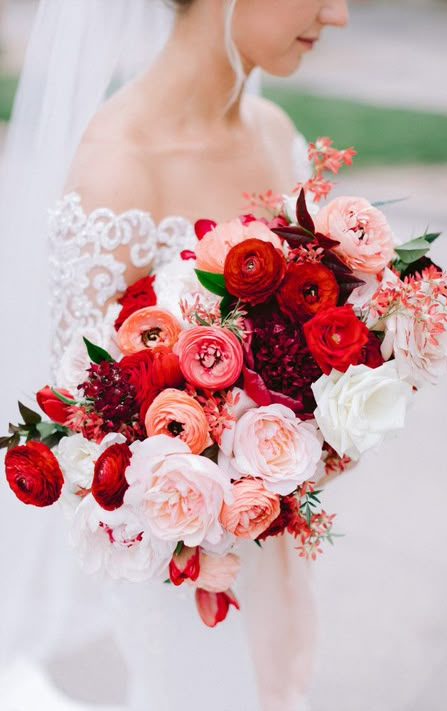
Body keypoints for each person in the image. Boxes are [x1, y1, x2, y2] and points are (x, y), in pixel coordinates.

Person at [0, 1, 349, 710]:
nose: (337, 14)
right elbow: (83, 440)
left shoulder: (275, 131)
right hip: (181, 572)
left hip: (269, 539)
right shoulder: (117, 172)